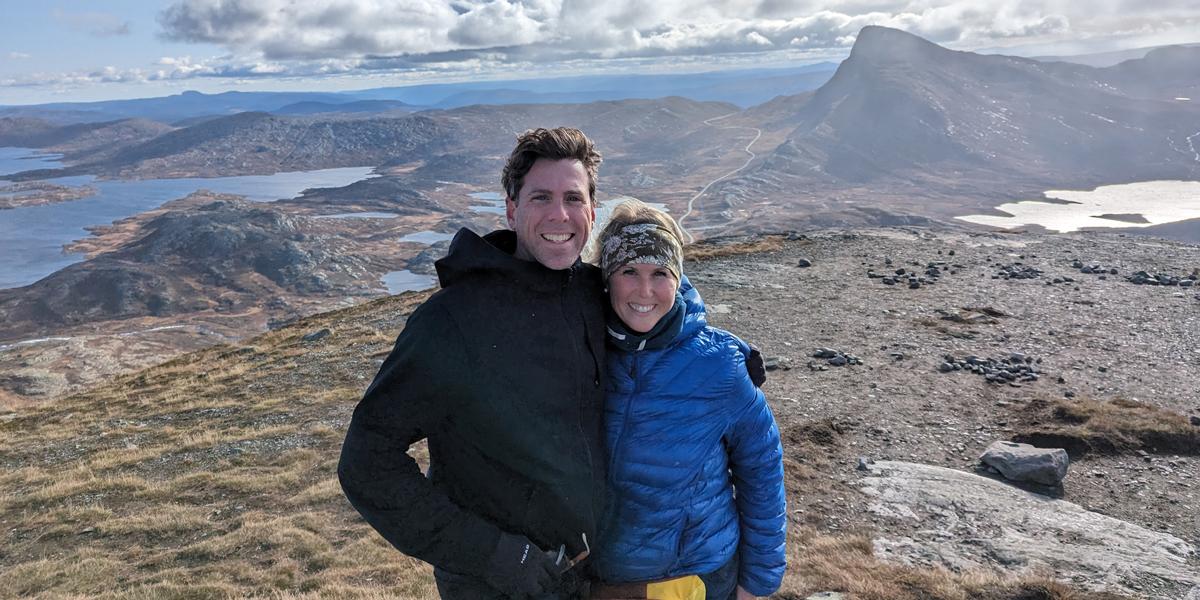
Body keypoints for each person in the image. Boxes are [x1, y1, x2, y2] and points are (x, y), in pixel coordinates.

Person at [338, 127, 608, 599]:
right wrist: (494, 554)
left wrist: (730, 367)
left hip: (592, 574)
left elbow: (661, 310)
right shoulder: (453, 321)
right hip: (495, 586)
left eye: (573, 197)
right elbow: (366, 460)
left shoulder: (594, 295)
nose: (559, 214)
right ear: (510, 208)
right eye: (540, 197)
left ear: (591, 210)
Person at [591, 200, 787, 600]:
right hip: (600, 578)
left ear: (678, 279)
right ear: (607, 278)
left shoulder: (719, 365)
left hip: (693, 577)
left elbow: (762, 471)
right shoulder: (583, 349)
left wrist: (757, 583)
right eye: (629, 271)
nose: (644, 291)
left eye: (660, 273)